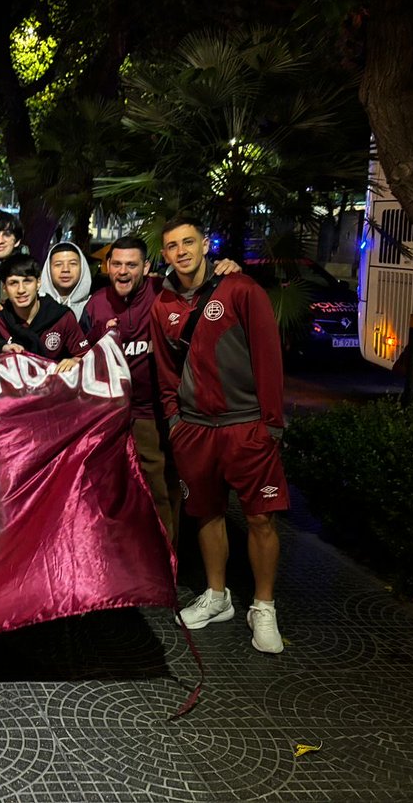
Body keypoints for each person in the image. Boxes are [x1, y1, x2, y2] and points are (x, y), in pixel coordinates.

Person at [149, 215, 289, 655]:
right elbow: (165, 372)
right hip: (194, 429)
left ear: (205, 244)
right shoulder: (162, 304)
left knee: (261, 518)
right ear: (165, 254)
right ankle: (217, 596)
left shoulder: (241, 289)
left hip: (245, 425)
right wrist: (175, 422)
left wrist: (271, 424)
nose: (181, 252)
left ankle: (263, 607)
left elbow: (268, 357)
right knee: (206, 514)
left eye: (188, 242)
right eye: (173, 246)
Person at [84, 236, 243, 545]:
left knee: (160, 491)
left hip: (151, 414)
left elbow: (203, 289)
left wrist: (226, 270)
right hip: (107, 417)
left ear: (146, 267)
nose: (123, 271)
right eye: (117, 264)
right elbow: (78, 353)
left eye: (132, 265)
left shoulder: (164, 293)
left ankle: (165, 560)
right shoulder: (96, 303)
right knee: (110, 493)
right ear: (107, 266)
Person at [0, 254, 87, 375]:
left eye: (27, 281)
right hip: (11, 396)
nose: (21, 290)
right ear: (4, 288)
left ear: (38, 283)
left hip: (51, 395)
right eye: (13, 283)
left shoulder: (62, 317)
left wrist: (75, 361)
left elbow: (87, 357)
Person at [39, 241, 92, 320]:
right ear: (48, 270)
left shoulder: (94, 306)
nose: (65, 269)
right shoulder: (35, 306)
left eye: (73, 263)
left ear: (82, 268)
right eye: (58, 264)